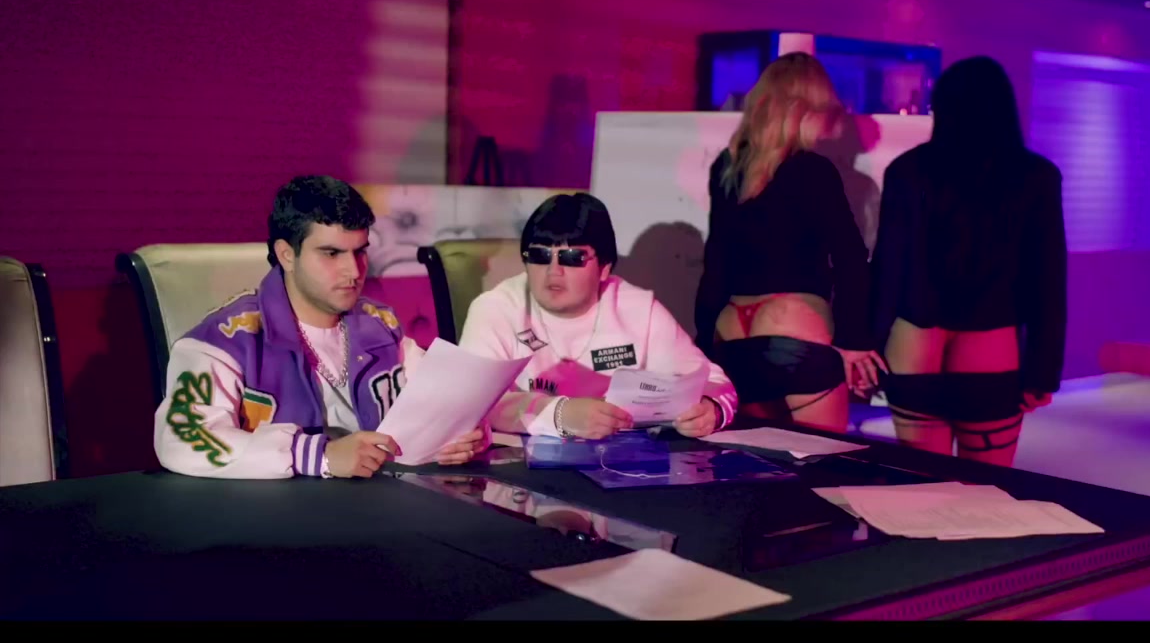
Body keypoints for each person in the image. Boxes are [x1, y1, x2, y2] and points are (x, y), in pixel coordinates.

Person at [154, 175, 488, 480]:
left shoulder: (381, 326)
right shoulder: (225, 340)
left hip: (381, 510)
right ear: (286, 255)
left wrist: (465, 435)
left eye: (360, 252)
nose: (353, 271)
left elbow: (448, 403)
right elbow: (180, 438)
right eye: (331, 253)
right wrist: (319, 456)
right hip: (274, 517)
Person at [871, 55, 1068, 467]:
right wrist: (1043, 370)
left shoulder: (907, 171)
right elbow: (1047, 281)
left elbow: (887, 270)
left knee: (922, 487)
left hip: (914, 345)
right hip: (990, 345)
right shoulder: (1035, 177)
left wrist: (866, 346)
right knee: (986, 490)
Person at [693, 52, 884, 434]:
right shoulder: (815, 171)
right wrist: (853, 340)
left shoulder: (728, 168)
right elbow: (850, 259)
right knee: (819, 459)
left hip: (732, 327)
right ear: (809, 109)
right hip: (794, 323)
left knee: (754, 457)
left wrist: (702, 342)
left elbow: (716, 262)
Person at [458, 192, 738, 440]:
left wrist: (711, 409)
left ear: (604, 268)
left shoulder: (638, 309)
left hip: (621, 464)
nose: (553, 271)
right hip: (521, 466)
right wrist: (560, 415)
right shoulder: (497, 308)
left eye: (572, 257)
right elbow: (470, 404)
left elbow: (715, 383)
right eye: (540, 255)